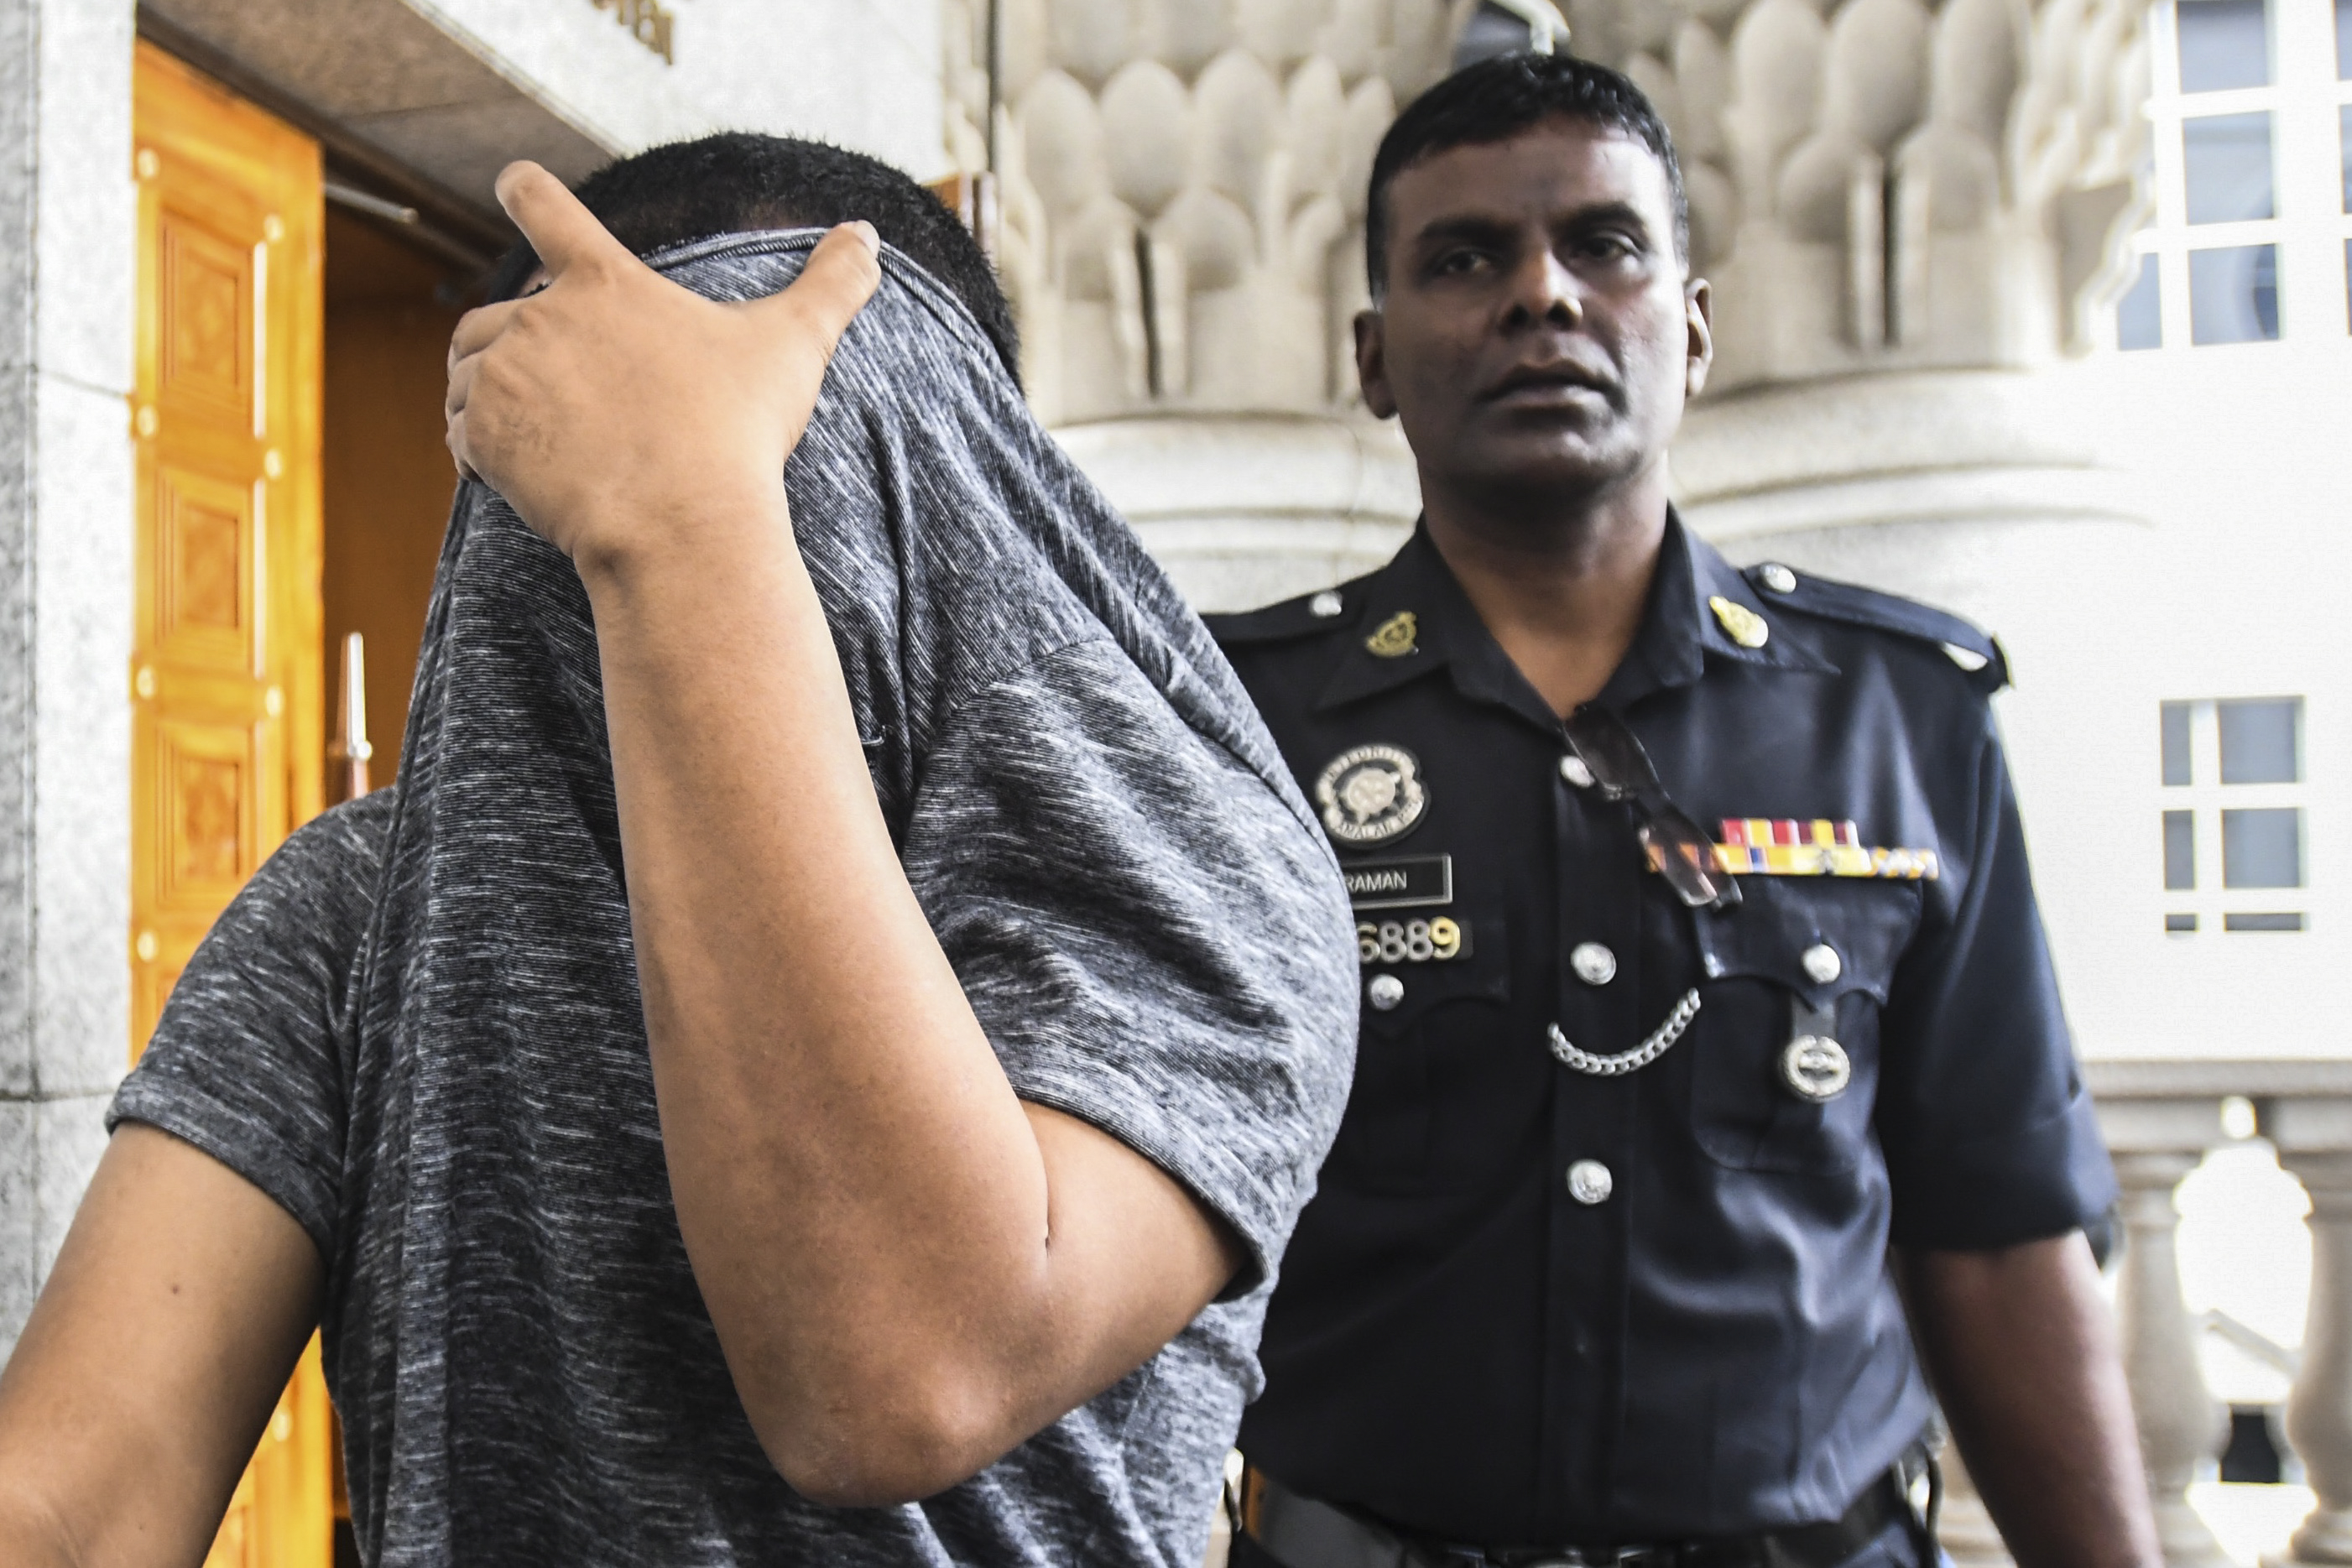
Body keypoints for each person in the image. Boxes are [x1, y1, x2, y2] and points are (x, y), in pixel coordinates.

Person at [0, 135, 1359, 1566]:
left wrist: (694, 514)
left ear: (961, 480)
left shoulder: (1186, 856)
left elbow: (893, 1376)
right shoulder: (362, 902)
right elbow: (75, 1507)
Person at [1206, 54, 2162, 1568]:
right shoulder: (1238, 728)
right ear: (1375, 356)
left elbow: (1994, 1231)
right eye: (1466, 259)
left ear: (1694, 329)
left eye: (1604, 244)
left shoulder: (1896, 719)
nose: (1543, 297)